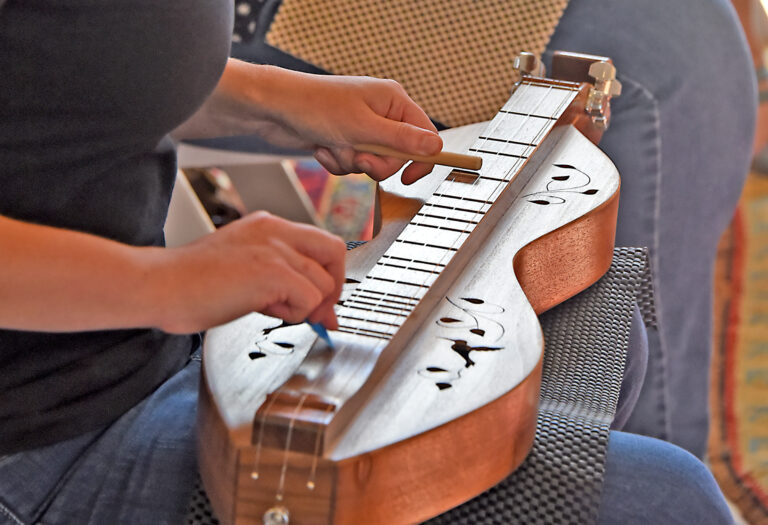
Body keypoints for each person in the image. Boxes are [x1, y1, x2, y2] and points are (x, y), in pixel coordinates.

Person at [0, 1, 748, 524]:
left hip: (129, 356)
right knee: (669, 502)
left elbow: (59, 56)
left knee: (586, 333)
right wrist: (164, 286)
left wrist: (278, 102)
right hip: (40, 433)